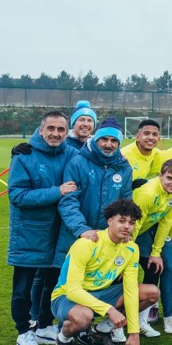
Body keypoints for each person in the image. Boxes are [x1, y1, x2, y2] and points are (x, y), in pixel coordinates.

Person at [50, 199, 160, 345]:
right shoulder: (86, 244)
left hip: (102, 293)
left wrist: (134, 332)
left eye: (131, 223)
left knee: (151, 292)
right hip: (67, 296)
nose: (127, 226)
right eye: (121, 220)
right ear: (109, 221)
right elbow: (73, 290)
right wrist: (109, 309)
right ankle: (63, 340)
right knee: (83, 316)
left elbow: (130, 290)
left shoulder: (131, 248)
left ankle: (100, 331)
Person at [8, 110, 78, 345]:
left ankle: (45, 326)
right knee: (23, 288)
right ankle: (23, 332)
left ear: (67, 132)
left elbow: (100, 159)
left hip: (60, 234)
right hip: (30, 234)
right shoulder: (24, 156)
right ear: (41, 130)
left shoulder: (72, 153)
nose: (56, 133)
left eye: (61, 129)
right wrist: (56, 191)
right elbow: (17, 196)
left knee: (53, 284)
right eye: (51, 128)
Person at [57, 117, 134, 281]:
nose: (108, 144)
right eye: (104, 139)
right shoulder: (77, 162)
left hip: (108, 239)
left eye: (114, 140)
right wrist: (81, 229)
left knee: (100, 285)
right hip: (76, 235)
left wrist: (124, 229)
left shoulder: (124, 167)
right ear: (96, 139)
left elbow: (126, 204)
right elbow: (68, 201)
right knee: (67, 285)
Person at [131, 159, 172, 336]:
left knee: (153, 267)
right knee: (120, 275)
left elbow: (166, 222)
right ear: (159, 176)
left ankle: (142, 322)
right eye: (169, 178)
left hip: (145, 232)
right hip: (126, 234)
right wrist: (127, 253)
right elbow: (133, 225)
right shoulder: (147, 193)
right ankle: (112, 326)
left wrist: (156, 253)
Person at [121, 118, 162, 183]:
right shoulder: (123, 156)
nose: (151, 138)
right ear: (137, 137)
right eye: (146, 133)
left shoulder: (158, 154)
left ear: (158, 139)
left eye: (155, 134)